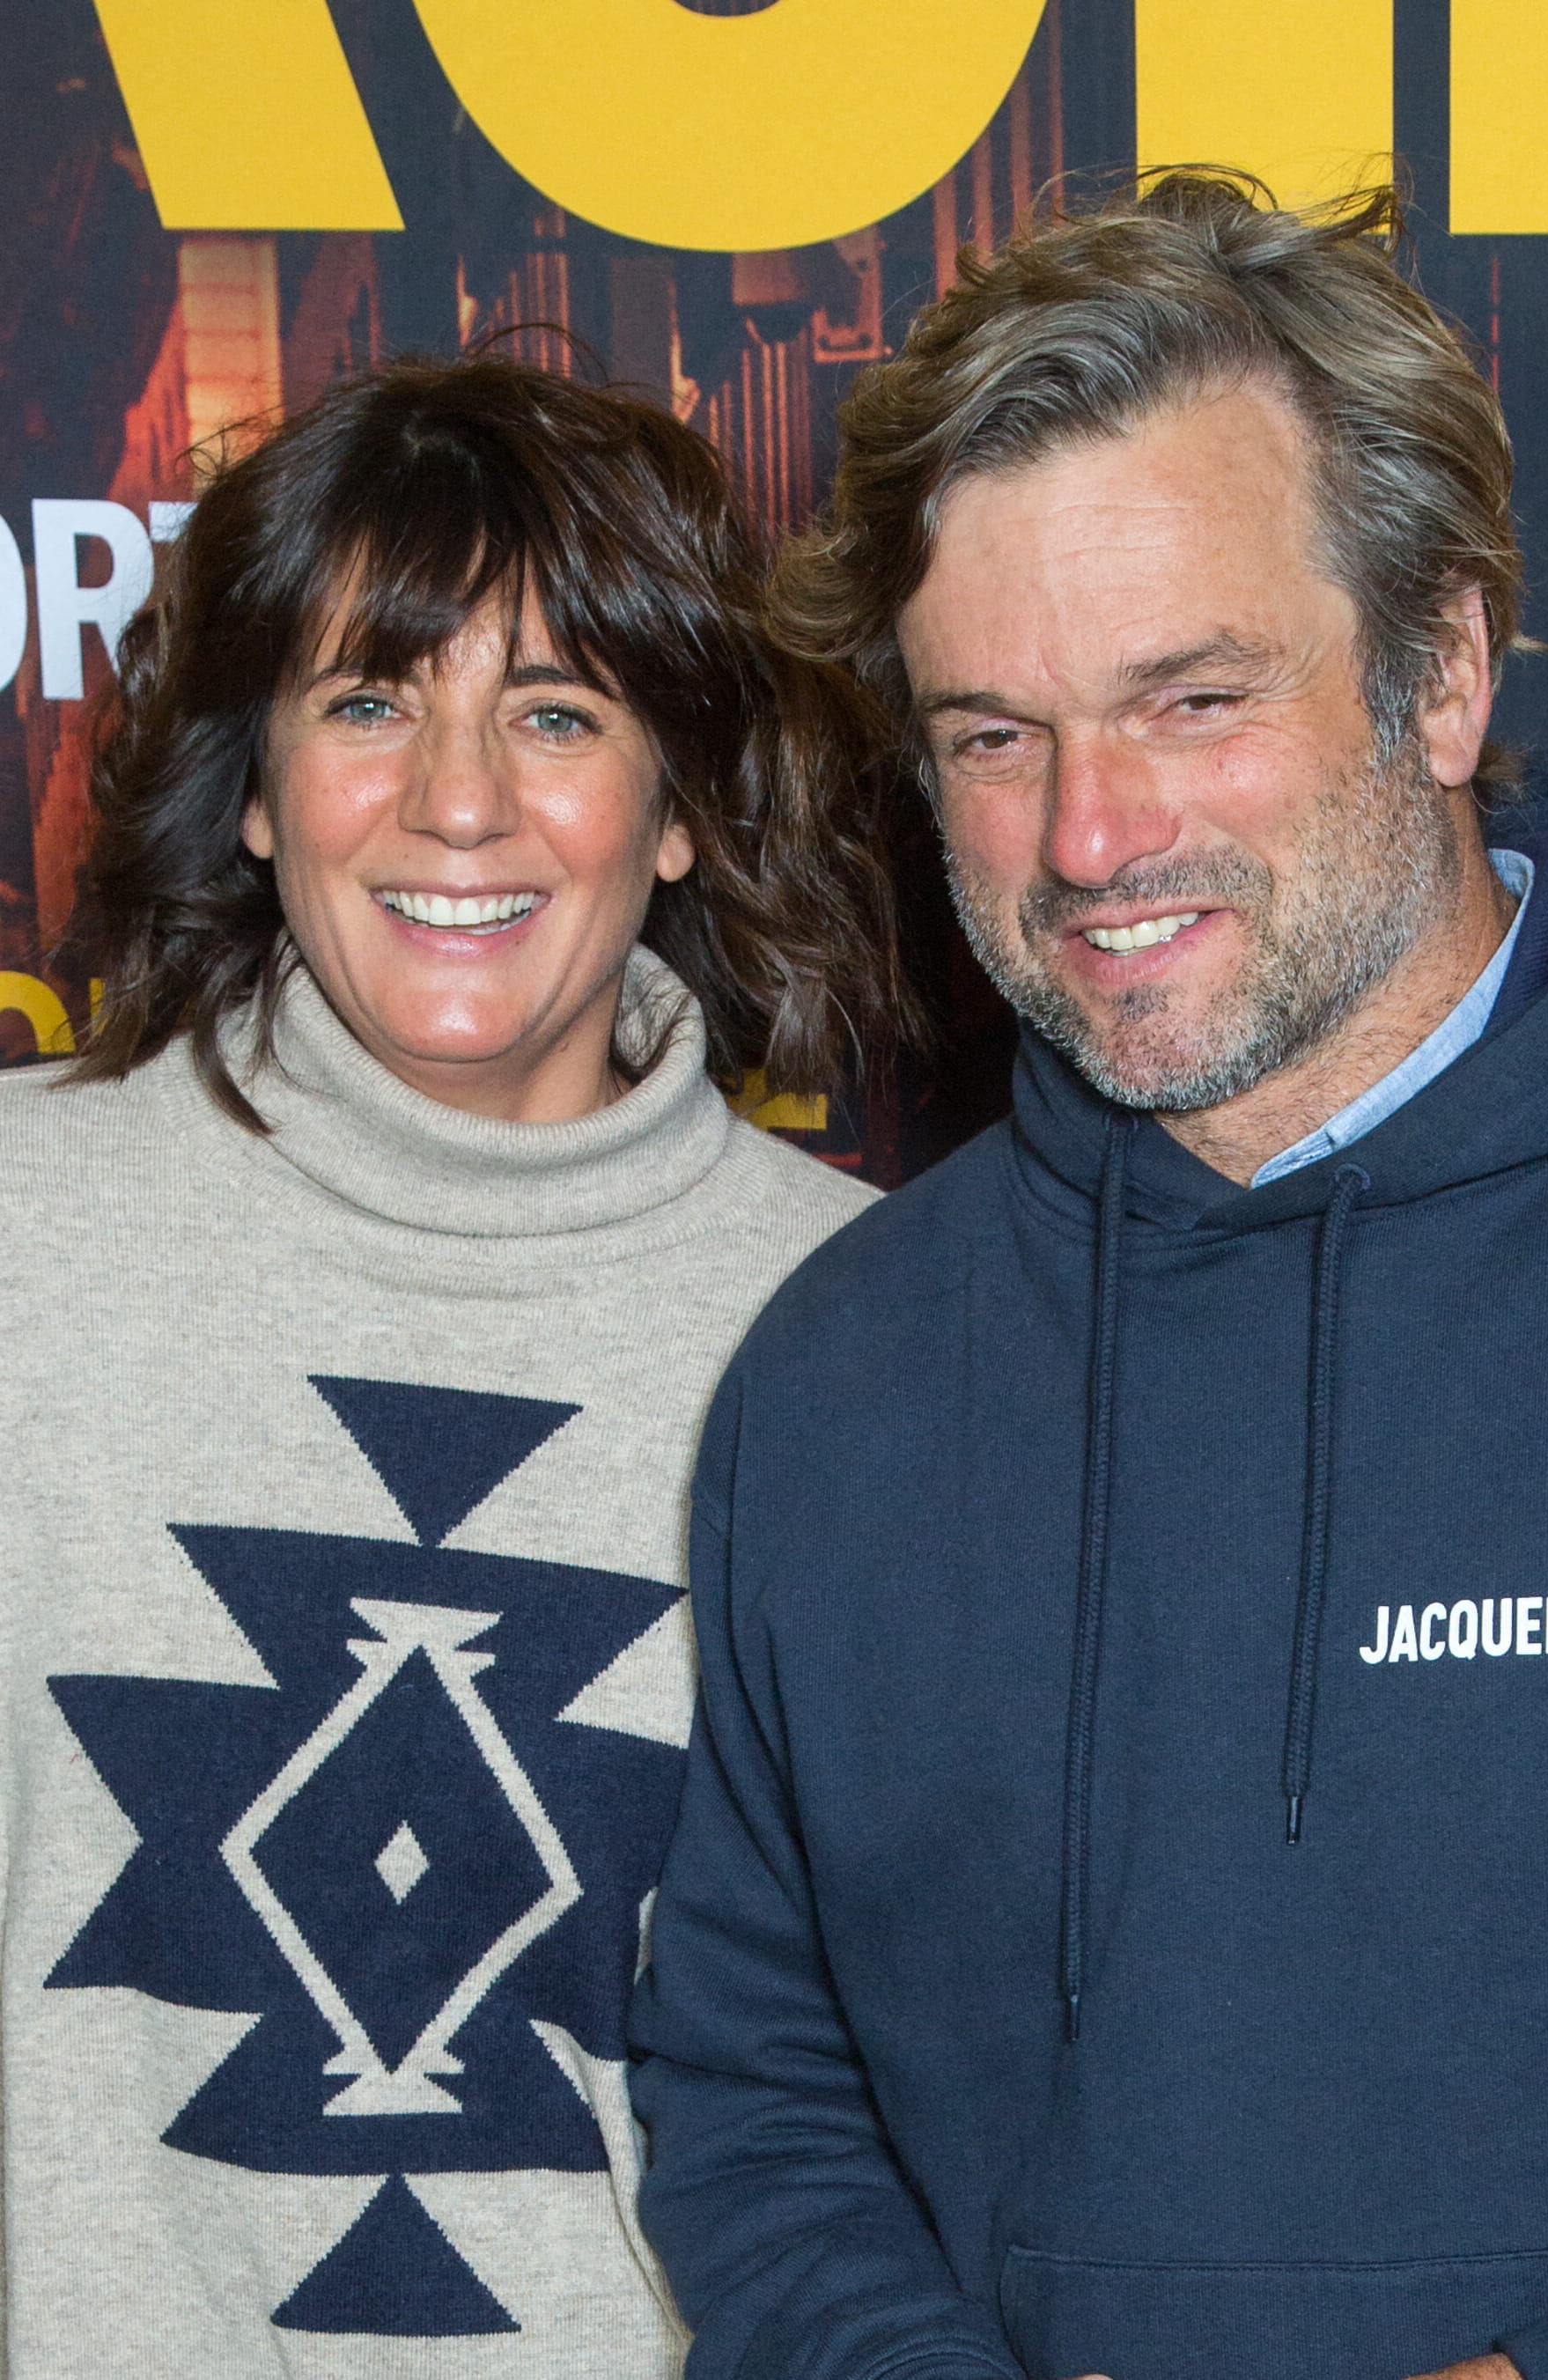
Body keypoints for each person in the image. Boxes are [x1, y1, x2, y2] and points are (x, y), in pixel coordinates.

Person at [630, 175, 1548, 2380]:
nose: (1086, 834)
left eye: (1190, 696)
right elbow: (760, 2091)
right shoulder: (848, 1371)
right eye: (994, 733)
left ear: (1442, 669)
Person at [0, 352, 906, 2374]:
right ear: (252, 783)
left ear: (680, 809)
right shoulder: (17, 1243)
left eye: (558, 711)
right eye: (368, 698)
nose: (459, 798)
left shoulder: (878, 1338)